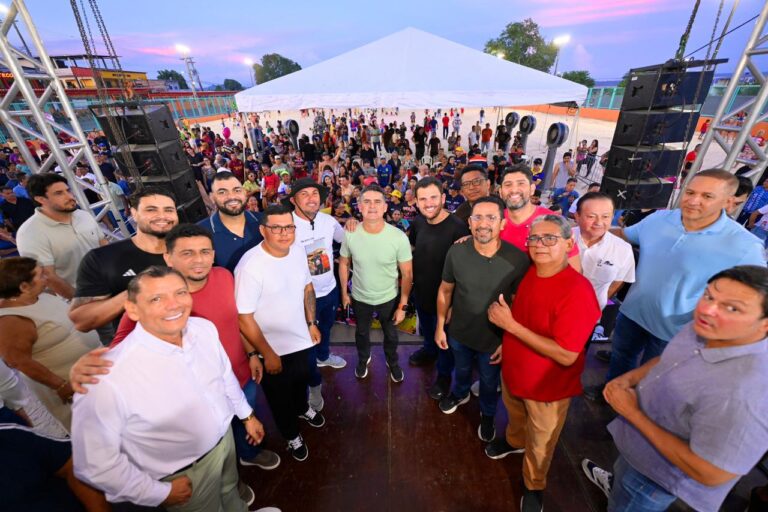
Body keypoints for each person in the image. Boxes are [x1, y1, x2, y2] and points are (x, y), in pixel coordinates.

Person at [70, 224, 282, 477]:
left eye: (205, 251)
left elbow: (235, 319)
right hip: (195, 394)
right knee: (211, 444)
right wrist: (91, 370)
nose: (198, 260)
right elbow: (122, 351)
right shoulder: (153, 300)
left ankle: (247, 457)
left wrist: (251, 354)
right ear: (168, 258)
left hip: (240, 375)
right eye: (187, 253)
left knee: (242, 423)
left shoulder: (224, 276)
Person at [72, 266, 264, 510]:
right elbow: (95, 465)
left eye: (180, 293)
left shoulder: (203, 329)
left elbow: (224, 376)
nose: (174, 305)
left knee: (230, 491)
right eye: (156, 299)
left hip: (225, 441)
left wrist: (246, 415)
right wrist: (158, 493)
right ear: (132, 309)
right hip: (185, 473)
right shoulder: (107, 377)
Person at [582, 265, 768, 512]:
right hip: (637, 447)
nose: (708, 309)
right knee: (623, 480)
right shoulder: (709, 326)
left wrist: (632, 412)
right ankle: (616, 485)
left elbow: (711, 473)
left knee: (629, 500)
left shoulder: (748, 395)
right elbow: (673, 357)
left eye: (732, 308)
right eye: (709, 295)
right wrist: (631, 377)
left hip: (654, 477)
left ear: (764, 325)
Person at [585, 169, 766, 400]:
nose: (693, 200)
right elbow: (623, 235)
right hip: (633, 312)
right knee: (621, 356)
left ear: (728, 202)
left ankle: (638, 411)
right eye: (690, 192)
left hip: (678, 331)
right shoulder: (659, 219)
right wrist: (580, 230)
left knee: (657, 379)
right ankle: (611, 393)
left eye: (707, 196)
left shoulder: (745, 245)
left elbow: (758, 295)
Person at [486, 215, 601, 512]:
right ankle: (514, 443)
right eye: (534, 238)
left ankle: (534, 485)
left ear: (569, 244)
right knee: (515, 417)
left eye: (550, 238)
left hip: (547, 387)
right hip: (514, 371)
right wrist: (507, 342)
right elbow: (526, 318)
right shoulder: (532, 272)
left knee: (541, 442)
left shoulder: (578, 291)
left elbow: (566, 354)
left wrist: (510, 327)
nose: (540, 245)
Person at [436, 196, 529, 442]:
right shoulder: (456, 251)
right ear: (469, 222)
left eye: (491, 217)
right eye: (477, 217)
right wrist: (440, 326)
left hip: (493, 340)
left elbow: (520, 304)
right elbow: (445, 290)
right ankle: (460, 393)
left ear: (502, 223)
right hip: (459, 332)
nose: (483, 223)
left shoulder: (517, 259)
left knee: (489, 382)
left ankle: (487, 414)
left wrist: (508, 340)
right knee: (461, 369)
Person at [236, 204, 324, 462]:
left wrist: (311, 322)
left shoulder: (297, 251)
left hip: (301, 339)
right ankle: (291, 435)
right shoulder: (250, 266)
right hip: (271, 349)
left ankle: (302, 408)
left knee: (300, 381)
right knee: (279, 398)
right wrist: (265, 353)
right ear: (263, 230)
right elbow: (243, 317)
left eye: (289, 227)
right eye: (277, 228)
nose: (285, 233)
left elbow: (307, 287)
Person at [0, 257, 100, 431]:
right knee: (93, 428)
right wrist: (61, 385)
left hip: (92, 370)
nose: (46, 276)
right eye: (40, 275)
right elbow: (18, 361)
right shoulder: (11, 320)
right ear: (24, 287)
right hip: (69, 381)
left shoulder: (40, 296)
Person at [69, 189, 177, 334]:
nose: (162, 216)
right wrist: (135, 292)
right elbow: (82, 321)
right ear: (134, 213)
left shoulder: (194, 250)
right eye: (151, 210)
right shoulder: (104, 258)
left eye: (169, 210)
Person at [339, 184, 413, 383]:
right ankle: (363, 359)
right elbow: (344, 263)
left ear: (385, 207)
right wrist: (344, 293)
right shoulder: (350, 232)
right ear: (359, 206)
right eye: (367, 201)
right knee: (361, 333)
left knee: (391, 334)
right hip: (360, 297)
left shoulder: (398, 237)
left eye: (377, 201)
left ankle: (392, 361)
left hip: (389, 298)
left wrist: (402, 305)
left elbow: (407, 274)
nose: (372, 206)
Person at [288, 178, 347, 413]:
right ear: (293, 200)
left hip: (329, 289)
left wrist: (353, 222)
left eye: (315, 193)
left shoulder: (328, 221)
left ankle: (324, 356)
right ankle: (313, 382)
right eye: (304, 194)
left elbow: (346, 239)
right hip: (301, 297)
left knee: (326, 328)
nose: (312, 198)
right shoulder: (286, 224)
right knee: (305, 342)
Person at [407, 177, 469, 398]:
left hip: (446, 300)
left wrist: (454, 305)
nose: (429, 203)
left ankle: (443, 376)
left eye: (433, 197)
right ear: (416, 202)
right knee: (428, 331)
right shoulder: (417, 223)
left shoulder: (458, 228)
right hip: (422, 293)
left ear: (443, 198)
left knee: (445, 341)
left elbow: (464, 272)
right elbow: (412, 249)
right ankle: (428, 351)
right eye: (423, 199)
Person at [16, 173, 105, 300]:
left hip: (112, 285)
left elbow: (104, 245)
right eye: (59, 193)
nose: (70, 196)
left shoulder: (83, 215)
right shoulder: (29, 233)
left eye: (68, 190)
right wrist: (83, 301)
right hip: (82, 299)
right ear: (41, 199)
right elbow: (48, 277)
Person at [572, 192, 635, 346]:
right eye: (591, 216)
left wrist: (596, 302)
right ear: (577, 216)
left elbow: (618, 282)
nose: (599, 222)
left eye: (606, 216)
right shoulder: (561, 238)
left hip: (587, 318)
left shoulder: (623, 249)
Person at [497, 164, 580, 268]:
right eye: (508, 185)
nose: (514, 190)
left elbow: (574, 267)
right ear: (500, 192)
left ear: (532, 189)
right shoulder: (492, 221)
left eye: (521, 184)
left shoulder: (554, 221)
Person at [199, 172, 264, 272]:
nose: (231, 197)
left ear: (244, 193)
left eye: (237, 190)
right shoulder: (200, 233)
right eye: (222, 192)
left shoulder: (265, 221)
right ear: (212, 197)